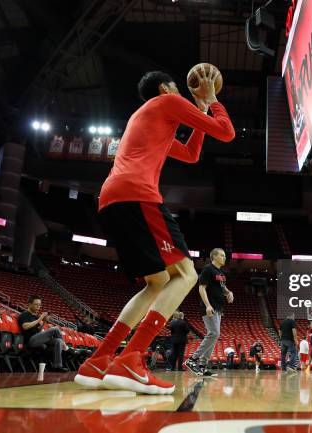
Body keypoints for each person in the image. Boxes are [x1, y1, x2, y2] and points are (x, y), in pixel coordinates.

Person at [74, 68, 235, 394]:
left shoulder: (150, 118)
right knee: (187, 274)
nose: (181, 92)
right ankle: (132, 358)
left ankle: (100, 359)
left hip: (112, 198)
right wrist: (213, 100)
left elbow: (190, 154)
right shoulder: (166, 102)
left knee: (157, 282)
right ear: (165, 88)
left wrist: (200, 110)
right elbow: (227, 132)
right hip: (137, 194)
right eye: (177, 87)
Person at [185, 248, 234, 377]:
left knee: (214, 335)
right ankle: (192, 360)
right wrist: (207, 305)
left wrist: (229, 292)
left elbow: (222, 287)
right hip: (209, 307)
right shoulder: (208, 269)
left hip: (218, 307)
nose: (224, 258)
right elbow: (201, 288)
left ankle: (202, 366)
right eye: (222, 256)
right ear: (214, 256)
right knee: (214, 333)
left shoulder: (221, 272)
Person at [18, 295, 68, 372]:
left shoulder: (36, 316)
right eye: (36, 304)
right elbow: (25, 327)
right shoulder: (24, 314)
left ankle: (57, 366)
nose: (38, 307)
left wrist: (44, 321)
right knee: (55, 329)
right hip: (30, 340)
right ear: (29, 304)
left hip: (38, 339)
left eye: (39, 305)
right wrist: (40, 319)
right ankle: (65, 346)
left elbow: (39, 330)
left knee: (58, 341)